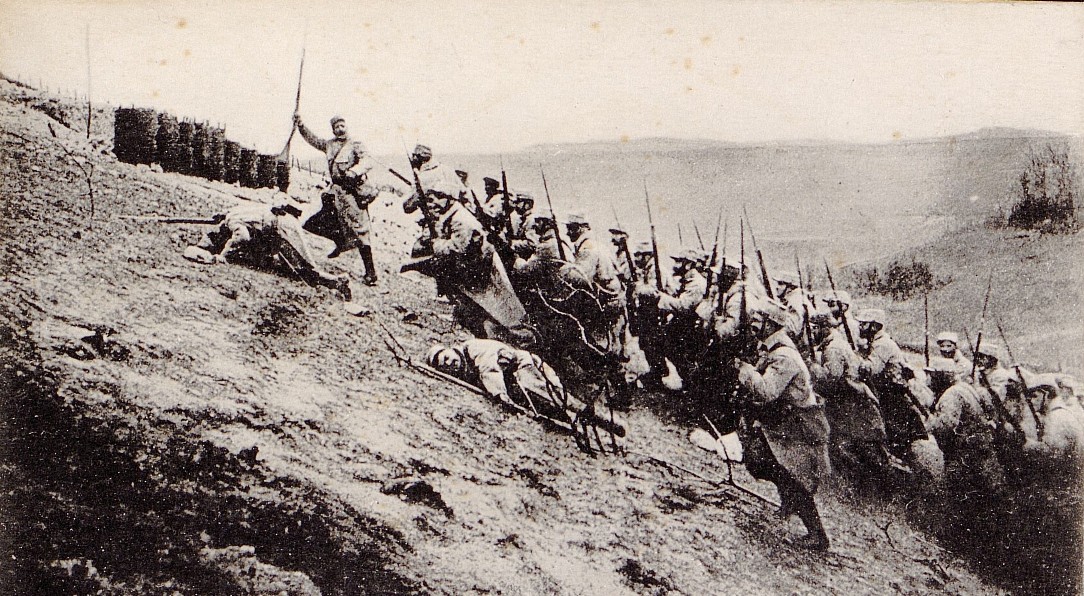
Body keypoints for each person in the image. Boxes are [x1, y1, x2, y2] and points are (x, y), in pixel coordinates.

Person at [734, 300, 832, 550]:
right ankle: (789, 504)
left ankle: (818, 535)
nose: (754, 324)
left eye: (759, 320)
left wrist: (746, 372)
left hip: (802, 425)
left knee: (793, 476)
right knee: (764, 463)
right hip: (788, 421)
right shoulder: (774, 348)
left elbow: (766, 391)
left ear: (771, 324)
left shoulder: (784, 356)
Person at [426, 339, 626, 440]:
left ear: (450, 349)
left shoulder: (472, 348)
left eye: (446, 358)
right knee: (552, 411)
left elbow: (489, 368)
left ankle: (604, 421)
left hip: (525, 367)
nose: (449, 363)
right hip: (513, 381)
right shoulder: (463, 368)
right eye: (443, 366)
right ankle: (583, 431)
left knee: (552, 396)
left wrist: (500, 395)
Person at [183, 199, 350, 300]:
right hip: (276, 226)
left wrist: (223, 255)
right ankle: (333, 281)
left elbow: (242, 236)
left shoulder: (231, 222)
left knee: (302, 268)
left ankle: (336, 282)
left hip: (283, 227)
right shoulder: (233, 212)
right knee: (289, 267)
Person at [294, 113, 379, 286]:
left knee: (361, 232)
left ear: (346, 126)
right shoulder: (329, 145)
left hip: (352, 194)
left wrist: (355, 171)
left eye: (342, 125)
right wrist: (301, 125)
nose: (340, 129)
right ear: (333, 129)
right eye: (336, 127)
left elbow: (368, 160)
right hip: (336, 193)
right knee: (313, 223)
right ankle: (340, 241)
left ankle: (371, 273)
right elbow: (313, 140)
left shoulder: (355, 144)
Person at [807, 311, 889, 485]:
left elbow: (832, 379)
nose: (812, 332)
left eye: (814, 328)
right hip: (851, 401)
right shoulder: (832, 344)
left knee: (861, 449)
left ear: (825, 328)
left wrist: (813, 368)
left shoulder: (833, 348)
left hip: (853, 403)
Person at [854, 308, 929, 463]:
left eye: (864, 324)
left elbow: (871, 369)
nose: (860, 327)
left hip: (892, 396)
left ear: (874, 326)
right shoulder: (876, 342)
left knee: (895, 434)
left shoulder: (883, 344)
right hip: (887, 392)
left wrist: (853, 359)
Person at [925, 358, 1003, 496]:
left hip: (964, 454)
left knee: (961, 495)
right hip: (979, 448)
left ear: (942, 376)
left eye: (932, 376)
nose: (929, 380)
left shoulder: (950, 395)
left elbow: (946, 426)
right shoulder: (964, 387)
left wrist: (931, 424)